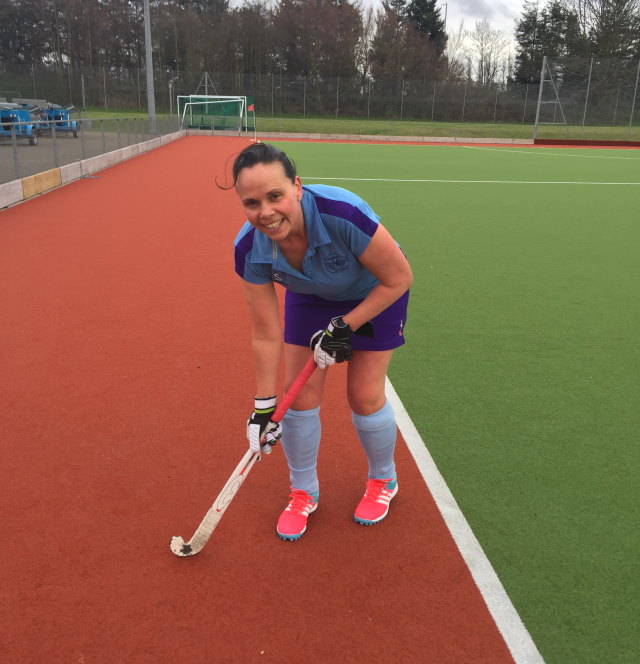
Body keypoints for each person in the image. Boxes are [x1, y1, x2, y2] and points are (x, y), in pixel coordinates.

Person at [231, 142, 413, 541]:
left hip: (374, 293)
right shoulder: (249, 248)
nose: (265, 212)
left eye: (275, 195)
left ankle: (384, 480)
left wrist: (345, 327)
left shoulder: (340, 212)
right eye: (251, 202)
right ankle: (302, 491)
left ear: (297, 186)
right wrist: (263, 408)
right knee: (299, 397)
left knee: (364, 396)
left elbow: (399, 278)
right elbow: (264, 333)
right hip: (311, 297)